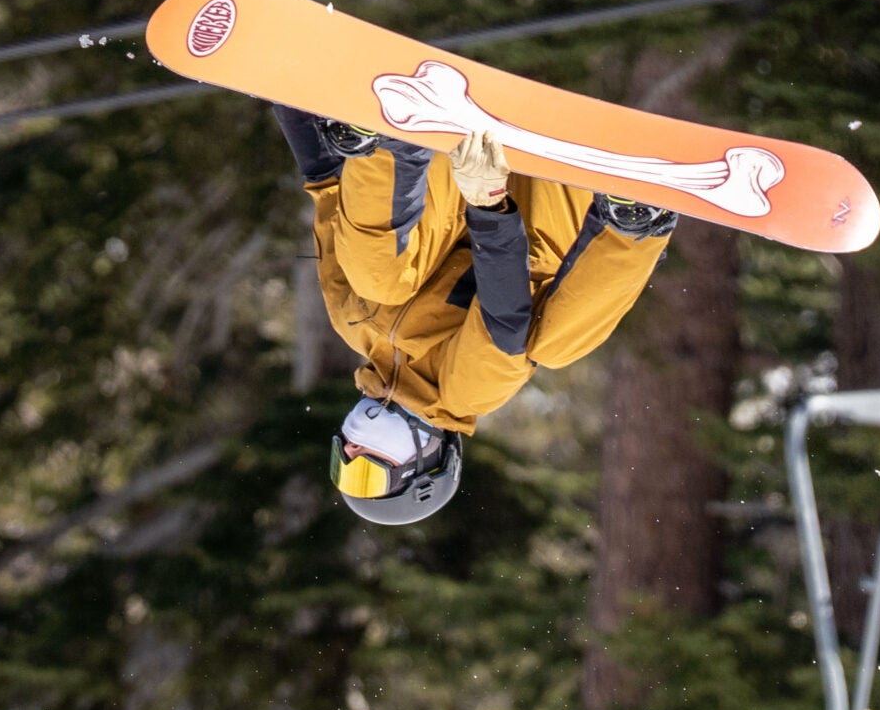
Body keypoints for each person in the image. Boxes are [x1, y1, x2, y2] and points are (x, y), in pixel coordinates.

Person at [274, 110, 678, 525]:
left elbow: (329, 190)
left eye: (340, 464)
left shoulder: (352, 323)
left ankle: (385, 141)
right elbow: (502, 315)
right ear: (426, 460)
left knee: (376, 280)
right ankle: (632, 224)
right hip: (547, 216)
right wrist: (488, 204)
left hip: (452, 161)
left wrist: (291, 93)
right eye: (366, 474)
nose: (350, 452)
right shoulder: (466, 392)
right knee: (555, 346)